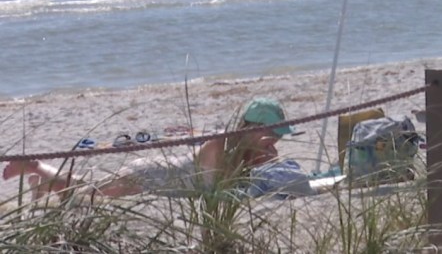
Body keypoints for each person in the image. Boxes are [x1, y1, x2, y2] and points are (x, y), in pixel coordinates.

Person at [3, 98, 310, 199]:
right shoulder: (223, 144)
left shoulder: (247, 152)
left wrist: (262, 157)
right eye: (271, 134)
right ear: (253, 128)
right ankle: (34, 167)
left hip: (160, 179)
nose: (277, 141)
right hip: (149, 177)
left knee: (84, 190)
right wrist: (254, 155)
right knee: (86, 191)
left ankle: (39, 177)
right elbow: (218, 178)